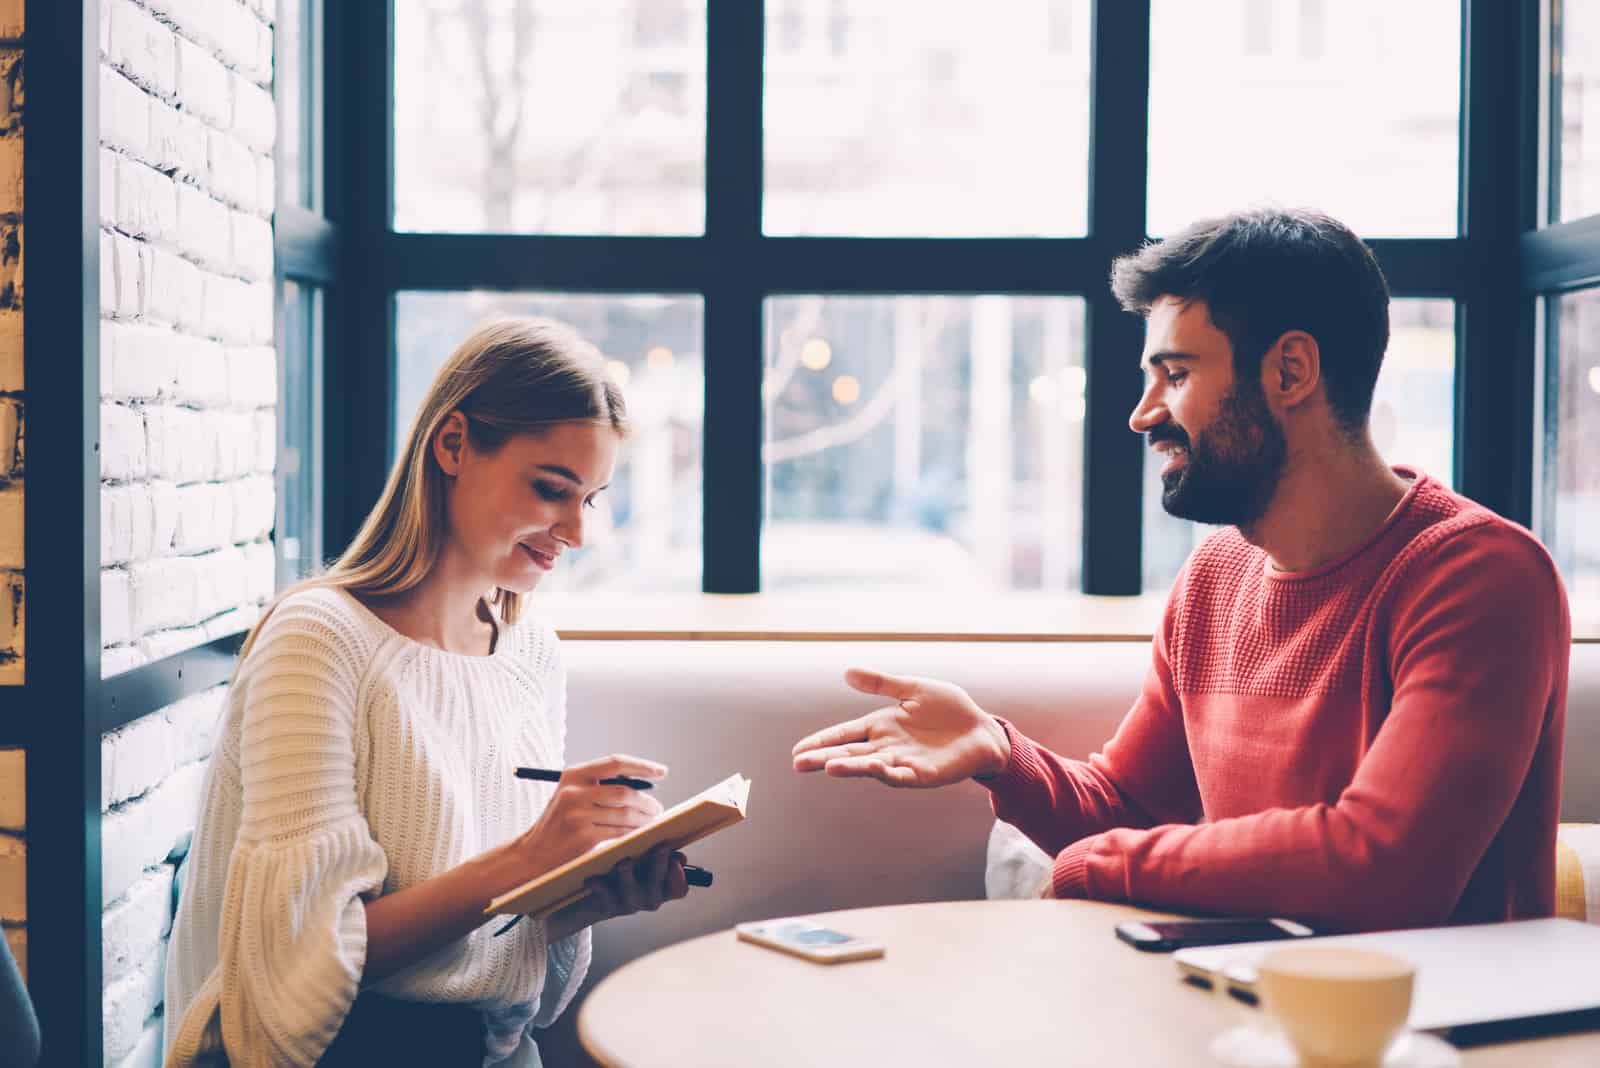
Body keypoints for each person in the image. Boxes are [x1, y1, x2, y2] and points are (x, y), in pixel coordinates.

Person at [793, 208, 1571, 933]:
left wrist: (1099, 867)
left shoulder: (1479, 578)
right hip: (1249, 1012)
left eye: (1175, 373)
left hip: (1435, 1035)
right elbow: (1129, 808)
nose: (1143, 412)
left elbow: (1382, 863)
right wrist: (1002, 754)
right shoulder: (1215, 576)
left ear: (1291, 372)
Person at [165, 319, 692, 1067]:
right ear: (451, 446)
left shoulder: (530, 651)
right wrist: (529, 856)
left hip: (487, 1046)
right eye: (552, 489)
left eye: (594, 499)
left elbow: (501, 961)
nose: (575, 529)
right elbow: (298, 975)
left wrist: (581, 895)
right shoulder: (319, 639)